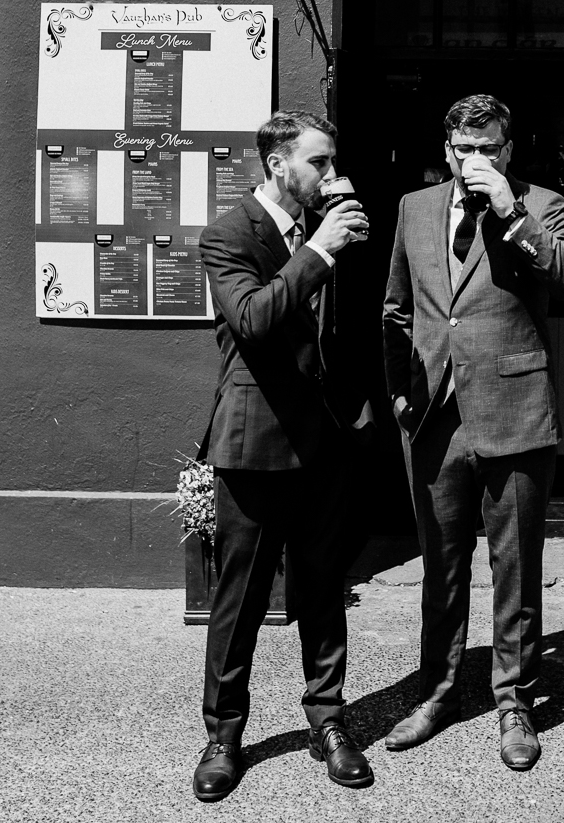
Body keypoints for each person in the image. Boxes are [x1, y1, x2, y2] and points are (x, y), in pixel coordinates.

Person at [380, 94, 564, 771]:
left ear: (508, 151)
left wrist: (509, 209)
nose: (476, 161)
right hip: (435, 415)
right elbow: (395, 308)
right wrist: (401, 397)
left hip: (515, 410)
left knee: (515, 567)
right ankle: (438, 696)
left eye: (489, 149)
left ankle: (515, 703)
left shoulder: (541, 203)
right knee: (441, 569)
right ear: (446, 152)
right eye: (465, 150)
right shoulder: (415, 209)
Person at [192, 110, 375, 804]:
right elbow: (254, 320)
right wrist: (321, 252)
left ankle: (328, 721)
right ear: (278, 164)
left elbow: (347, 326)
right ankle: (224, 734)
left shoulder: (333, 225)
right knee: (238, 601)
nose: (330, 175)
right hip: (257, 440)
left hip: (329, 438)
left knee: (326, 590)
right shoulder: (229, 233)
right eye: (319, 164)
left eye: (332, 163)